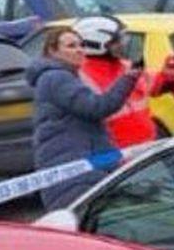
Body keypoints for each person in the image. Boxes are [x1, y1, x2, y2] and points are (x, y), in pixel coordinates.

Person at [29, 20, 141, 209]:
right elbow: (97, 108)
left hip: (81, 163)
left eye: (81, 45)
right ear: (53, 52)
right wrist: (128, 78)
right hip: (75, 169)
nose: (80, 50)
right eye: (71, 46)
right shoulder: (57, 78)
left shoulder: (63, 76)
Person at [71, 15, 174, 148]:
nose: (123, 44)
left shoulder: (125, 66)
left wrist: (170, 75)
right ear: (97, 44)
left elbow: (154, 86)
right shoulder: (78, 76)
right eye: (117, 41)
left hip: (147, 147)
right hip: (115, 155)